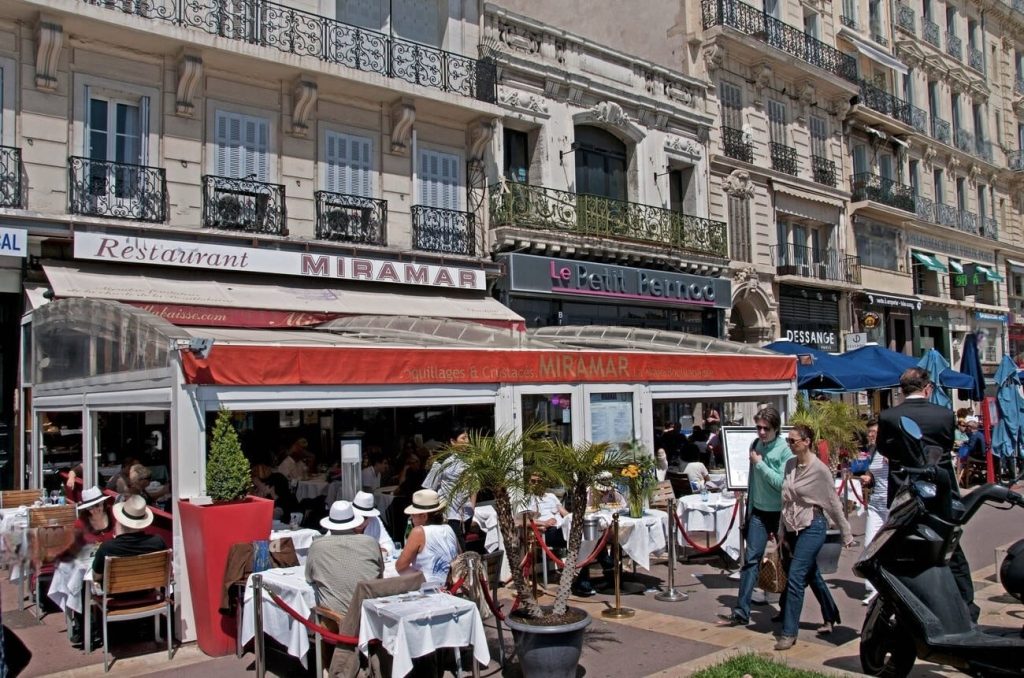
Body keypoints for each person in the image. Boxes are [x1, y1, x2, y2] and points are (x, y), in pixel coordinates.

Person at [878, 366, 976, 619]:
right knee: (950, 549)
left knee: (901, 550)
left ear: (902, 390)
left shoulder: (889, 416)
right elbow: (944, 447)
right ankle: (966, 604)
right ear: (928, 388)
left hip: (905, 494)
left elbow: (884, 449)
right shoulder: (944, 415)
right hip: (941, 493)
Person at [774, 424, 855, 651]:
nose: (790, 445)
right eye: (788, 441)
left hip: (813, 525)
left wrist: (846, 533)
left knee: (797, 576)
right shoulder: (790, 464)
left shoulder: (820, 470)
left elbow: (833, 503)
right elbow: (785, 500)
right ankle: (830, 614)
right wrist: (781, 530)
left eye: (793, 441)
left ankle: (789, 632)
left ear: (807, 441)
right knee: (811, 574)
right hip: (792, 525)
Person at [719, 406, 792, 627]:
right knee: (751, 561)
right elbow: (752, 479)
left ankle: (787, 608)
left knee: (788, 563)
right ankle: (741, 611)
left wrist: (760, 464)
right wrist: (749, 507)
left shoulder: (785, 451)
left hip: (779, 512)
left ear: (775, 429)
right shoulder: (755, 444)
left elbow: (782, 484)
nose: (761, 432)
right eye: (758, 427)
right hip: (758, 512)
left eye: (765, 429)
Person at [305, 500, 383, 616]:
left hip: (338, 619)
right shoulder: (371, 542)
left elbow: (309, 578)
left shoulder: (317, 546)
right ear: (354, 523)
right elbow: (380, 573)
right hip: (370, 616)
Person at [423, 428, 475, 552]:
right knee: (457, 548)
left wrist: (472, 506)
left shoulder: (471, 460)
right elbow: (429, 487)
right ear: (453, 441)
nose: (467, 441)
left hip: (466, 513)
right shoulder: (442, 462)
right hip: (450, 514)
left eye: (468, 438)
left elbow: (474, 484)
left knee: (463, 545)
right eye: (463, 438)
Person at [395, 489, 459, 585]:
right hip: (452, 586)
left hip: (430, 589)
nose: (411, 518)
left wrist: (420, 577)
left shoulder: (418, 532)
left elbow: (400, 567)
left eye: (413, 515)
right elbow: (459, 558)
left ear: (424, 516)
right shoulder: (449, 529)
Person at [858, 417, 887, 605]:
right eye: (869, 432)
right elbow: (872, 472)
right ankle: (873, 588)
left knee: (890, 548)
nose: (870, 435)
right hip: (876, 504)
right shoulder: (873, 451)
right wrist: (867, 477)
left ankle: (889, 587)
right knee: (869, 545)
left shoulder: (892, 450)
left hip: (892, 505)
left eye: (874, 432)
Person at [352, 491, 396, 560]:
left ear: (370, 516)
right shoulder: (344, 520)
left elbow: (389, 544)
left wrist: (382, 551)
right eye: (357, 517)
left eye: (365, 517)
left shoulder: (375, 520)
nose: (361, 521)